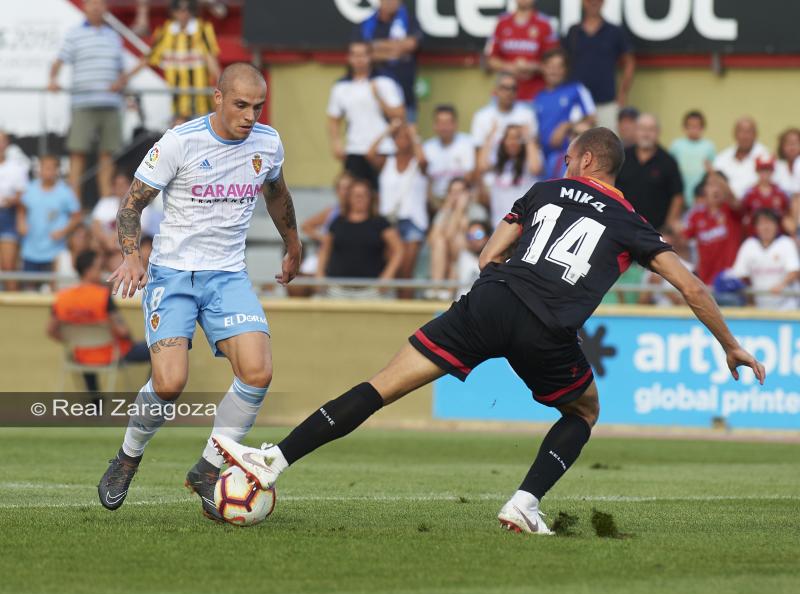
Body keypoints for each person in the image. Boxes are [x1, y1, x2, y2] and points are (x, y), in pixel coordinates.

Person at [212, 128, 765, 536]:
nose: (564, 161)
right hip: (547, 326)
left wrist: (499, 287)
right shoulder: (632, 223)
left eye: (570, 155)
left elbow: (486, 254)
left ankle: (273, 460)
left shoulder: (547, 190)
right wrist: (730, 344)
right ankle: (524, 502)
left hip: (491, 300)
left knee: (381, 386)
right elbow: (692, 288)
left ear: (588, 159)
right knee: (583, 412)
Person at [96, 63, 302, 523]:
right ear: (218, 97)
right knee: (169, 384)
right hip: (172, 276)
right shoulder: (179, 142)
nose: (250, 115)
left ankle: (208, 469)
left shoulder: (267, 143)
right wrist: (132, 256)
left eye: (258, 106)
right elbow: (131, 204)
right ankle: (128, 456)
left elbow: (277, 194)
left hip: (227, 276)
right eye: (241, 105)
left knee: (258, 372)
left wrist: (293, 244)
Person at [49, 0, 126, 201]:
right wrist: (52, 80)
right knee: (78, 152)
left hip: (110, 103)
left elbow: (122, 72)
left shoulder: (113, 36)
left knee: (107, 154)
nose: (96, 8)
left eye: (100, 4)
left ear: (106, 8)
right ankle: (73, 203)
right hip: (82, 103)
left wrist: (120, 82)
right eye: (92, 3)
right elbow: (58, 62)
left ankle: (106, 204)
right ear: (85, 7)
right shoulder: (74, 34)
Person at [48, 249, 150, 395]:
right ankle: (152, 397)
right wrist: (128, 337)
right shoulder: (102, 296)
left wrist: (74, 339)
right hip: (112, 353)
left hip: (80, 354)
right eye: (99, 268)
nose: (102, 271)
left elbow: (51, 329)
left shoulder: (62, 298)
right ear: (89, 270)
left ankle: (95, 404)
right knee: (159, 351)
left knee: (86, 353)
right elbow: (122, 331)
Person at [327, 41, 405, 190]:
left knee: (382, 191)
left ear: (370, 57)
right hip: (354, 148)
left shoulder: (385, 82)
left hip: (383, 149)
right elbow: (333, 118)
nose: (359, 59)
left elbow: (400, 115)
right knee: (356, 194)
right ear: (349, 58)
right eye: (355, 55)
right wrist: (336, 142)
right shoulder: (341, 86)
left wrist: (379, 98)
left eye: (363, 55)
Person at [127, 0, 221, 119]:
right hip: (177, 105)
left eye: (187, 9)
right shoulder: (165, 31)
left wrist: (220, 85)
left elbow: (211, 60)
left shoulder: (202, 29)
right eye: (179, 9)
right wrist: (125, 77)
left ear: (192, 11)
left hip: (201, 105)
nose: (183, 14)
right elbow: (148, 58)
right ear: (173, 12)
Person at [367, 121, 428, 296]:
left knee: (406, 272)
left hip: (413, 221)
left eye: (407, 136)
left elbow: (423, 160)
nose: (404, 139)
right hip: (389, 222)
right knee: (393, 268)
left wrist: (415, 136)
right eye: (400, 136)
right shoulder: (387, 160)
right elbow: (369, 154)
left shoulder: (419, 162)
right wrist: (388, 130)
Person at [315, 178, 404, 299]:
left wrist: (387, 277)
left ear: (370, 198)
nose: (359, 198)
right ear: (349, 198)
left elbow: (398, 250)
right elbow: (324, 250)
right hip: (337, 290)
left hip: (372, 291)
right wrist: (320, 275)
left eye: (364, 195)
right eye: (356, 195)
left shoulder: (380, 223)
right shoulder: (337, 222)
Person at [562, 0, 635, 130]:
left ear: (603, 2)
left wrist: (623, 93)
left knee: (609, 146)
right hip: (577, 103)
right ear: (583, 2)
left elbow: (629, 62)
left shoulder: (615, 31)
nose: (593, 2)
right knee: (576, 147)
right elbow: (563, 64)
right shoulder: (573, 31)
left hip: (606, 101)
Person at [354, 0, 422, 122]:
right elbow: (364, 52)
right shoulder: (367, 24)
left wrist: (376, 46)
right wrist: (396, 50)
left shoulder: (409, 21)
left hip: (405, 96)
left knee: (405, 138)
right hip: (374, 100)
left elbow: (411, 44)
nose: (391, 2)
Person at [533, 49, 596, 180]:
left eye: (558, 66)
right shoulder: (538, 96)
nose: (554, 71)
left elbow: (592, 119)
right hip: (542, 161)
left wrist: (566, 125)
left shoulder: (576, 90)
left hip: (567, 160)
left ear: (565, 70)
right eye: (550, 66)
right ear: (543, 68)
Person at [18, 156, 82, 280]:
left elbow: (77, 216)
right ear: (39, 170)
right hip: (30, 250)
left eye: (51, 168)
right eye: (45, 167)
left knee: (53, 288)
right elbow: (21, 209)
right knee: (29, 290)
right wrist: (21, 223)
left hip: (55, 252)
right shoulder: (29, 189)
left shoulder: (65, 192)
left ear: (57, 170)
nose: (48, 171)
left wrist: (63, 231)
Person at [616, 113, 683, 230]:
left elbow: (677, 196)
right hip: (622, 227)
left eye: (651, 129)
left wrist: (668, 228)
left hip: (654, 232)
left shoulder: (668, 161)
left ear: (658, 132)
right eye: (642, 129)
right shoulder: (622, 157)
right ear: (635, 131)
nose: (646, 134)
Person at [484, 0, 559, 101]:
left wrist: (531, 67)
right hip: (503, 97)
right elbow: (490, 60)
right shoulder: (502, 22)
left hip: (535, 96)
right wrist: (511, 67)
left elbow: (554, 64)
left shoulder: (545, 24)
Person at [427, 178, 486, 299]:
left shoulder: (477, 211)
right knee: (439, 242)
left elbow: (475, 239)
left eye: (460, 192)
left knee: (458, 239)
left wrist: (458, 211)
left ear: (468, 193)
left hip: (470, 253)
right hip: (447, 256)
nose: (456, 196)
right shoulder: (445, 210)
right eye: (453, 192)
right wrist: (447, 210)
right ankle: (436, 289)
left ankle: (449, 291)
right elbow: (432, 238)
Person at [730, 209, 800, 311]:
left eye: (770, 223)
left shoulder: (786, 242)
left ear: (776, 226)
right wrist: (749, 297)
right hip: (760, 306)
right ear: (756, 227)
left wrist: (782, 285)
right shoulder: (749, 245)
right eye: (762, 224)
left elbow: (794, 271)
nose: (766, 228)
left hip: (787, 306)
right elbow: (739, 274)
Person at [683, 173, 743, 285]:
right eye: (711, 185)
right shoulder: (696, 216)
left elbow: (734, 200)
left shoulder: (732, 211)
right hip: (705, 281)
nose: (716, 189)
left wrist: (713, 173)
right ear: (704, 190)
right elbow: (682, 241)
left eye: (719, 185)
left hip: (730, 281)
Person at [470, 73, 537, 170]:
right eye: (504, 88)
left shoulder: (527, 115)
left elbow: (535, 158)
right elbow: (478, 157)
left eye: (513, 88)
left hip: (522, 173)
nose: (509, 92)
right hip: (492, 174)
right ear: (495, 91)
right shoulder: (481, 116)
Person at [478, 124, 542, 226]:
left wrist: (528, 139)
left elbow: (535, 168)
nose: (513, 142)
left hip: (524, 223)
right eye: (509, 138)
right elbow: (482, 166)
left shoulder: (528, 160)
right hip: (499, 224)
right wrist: (490, 137)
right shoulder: (498, 161)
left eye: (517, 138)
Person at [423, 105, 475, 209]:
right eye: (440, 123)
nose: (444, 127)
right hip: (437, 202)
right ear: (434, 125)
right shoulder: (427, 147)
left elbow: (471, 176)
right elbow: (427, 181)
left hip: (463, 200)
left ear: (455, 124)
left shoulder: (468, 144)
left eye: (447, 123)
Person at [713, 117, 769, 200]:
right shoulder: (722, 158)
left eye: (749, 132)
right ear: (734, 134)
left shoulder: (765, 156)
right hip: (726, 206)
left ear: (756, 134)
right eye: (741, 131)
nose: (745, 136)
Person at [0, 131, 29, 291]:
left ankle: (12, 297)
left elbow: (23, 196)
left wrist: (11, 201)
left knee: (8, 265)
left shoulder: (16, 168)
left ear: (7, 144)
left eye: (1, 141)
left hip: (8, 216)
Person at [669, 110, 716, 209]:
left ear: (702, 127)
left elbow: (711, 173)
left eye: (697, 126)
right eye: (690, 126)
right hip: (679, 197)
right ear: (685, 127)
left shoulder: (709, 147)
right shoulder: (676, 145)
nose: (694, 129)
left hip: (700, 199)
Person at [740, 156, 796, 237]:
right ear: (757, 171)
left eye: (768, 170)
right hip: (754, 238)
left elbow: (789, 216)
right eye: (762, 170)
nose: (765, 173)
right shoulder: (749, 194)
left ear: (772, 171)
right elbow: (743, 216)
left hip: (778, 237)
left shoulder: (781, 193)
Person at [454, 220, 491, 298]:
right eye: (470, 236)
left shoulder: (496, 260)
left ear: (487, 237)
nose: (474, 240)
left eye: (478, 235)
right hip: (462, 306)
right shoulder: (462, 256)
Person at [773, 128, 800, 196]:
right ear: (782, 146)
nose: (792, 146)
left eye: (796, 142)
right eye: (788, 142)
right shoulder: (776, 166)